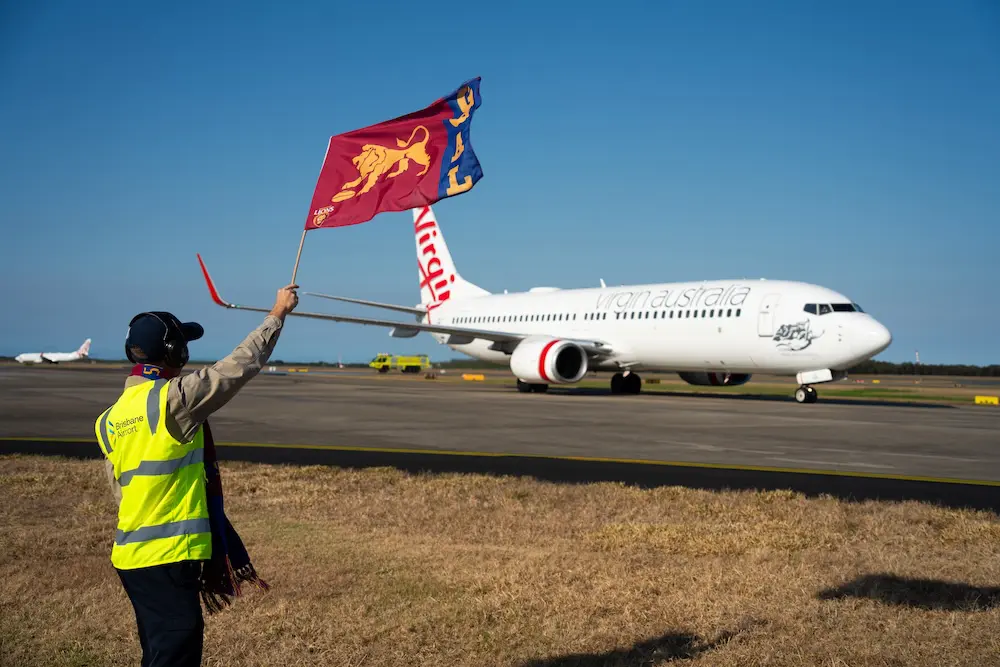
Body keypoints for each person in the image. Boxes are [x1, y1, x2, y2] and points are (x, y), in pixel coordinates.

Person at [94, 284, 299, 667]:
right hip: (168, 557)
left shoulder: (109, 420)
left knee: (158, 651)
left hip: (131, 558)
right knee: (175, 655)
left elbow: (121, 490)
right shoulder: (172, 400)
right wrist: (277, 314)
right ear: (174, 352)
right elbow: (237, 367)